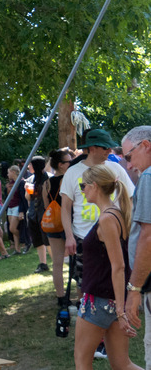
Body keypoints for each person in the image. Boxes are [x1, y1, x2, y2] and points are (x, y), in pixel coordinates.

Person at [73, 165, 140, 370]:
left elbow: (118, 265)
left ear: (94, 186)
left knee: (82, 362)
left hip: (100, 300)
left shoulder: (108, 218)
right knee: (122, 364)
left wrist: (120, 310)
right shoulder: (116, 214)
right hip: (110, 298)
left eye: (83, 185)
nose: (82, 190)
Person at [61, 129, 134, 293]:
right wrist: (69, 236)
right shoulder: (73, 172)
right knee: (85, 282)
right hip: (83, 237)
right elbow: (65, 208)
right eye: (105, 148)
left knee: (117, 273)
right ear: (92, 148)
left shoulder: (115, 168)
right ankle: (85, 311)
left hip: (114, 233)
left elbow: (130, 198)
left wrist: (128, 226)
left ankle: (120, 310)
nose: (110, 151)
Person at [121, 126, 151, 369]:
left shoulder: (149, 177)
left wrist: (134, 289)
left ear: (146, 146)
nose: (129, 166)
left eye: (129, 157)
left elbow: (148, 238)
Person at [44, 148, 74, 307]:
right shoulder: (68, 180)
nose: (72, 163)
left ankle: (61, 297)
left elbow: (45, 206)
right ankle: (77, 295)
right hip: (68, 224)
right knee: (75, 261)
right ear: (61, 165)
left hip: (53, 225)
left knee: (57, 263)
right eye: (69, 161)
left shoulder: (46, 183)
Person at [26, 156, 51, 273]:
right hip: (33, 214)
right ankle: (43, 263)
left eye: (31, 164)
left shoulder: (49, 178)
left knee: (49, 240)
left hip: (45, 214)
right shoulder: (30, 180)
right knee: (38, 240)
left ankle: (56, 262)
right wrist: (28, 191)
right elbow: (28, 199)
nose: (28, 167)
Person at [5, 165, 25, 254]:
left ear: (13, 172)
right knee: (11, 229)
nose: (7, 174)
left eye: (9, 172)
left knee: (13, 228)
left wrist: (21, 211)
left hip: (17, 206)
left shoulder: (21, 182)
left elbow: (22, 198)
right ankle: (17, 249)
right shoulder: (10, 184)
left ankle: (24, 239)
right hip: (10, 207)